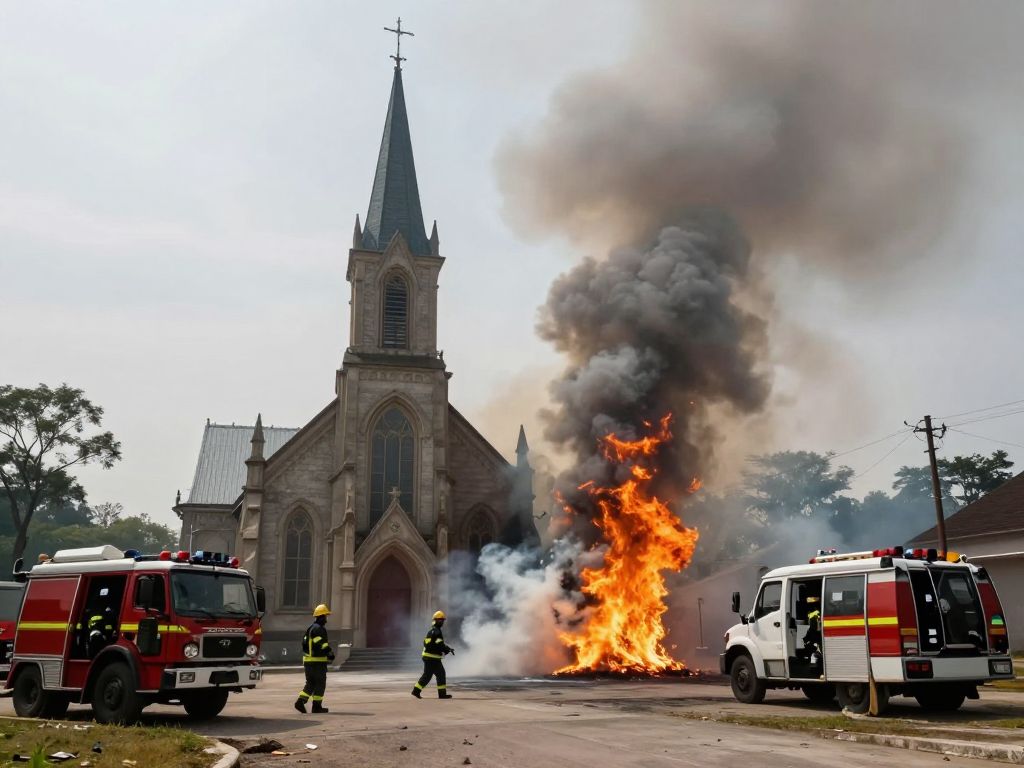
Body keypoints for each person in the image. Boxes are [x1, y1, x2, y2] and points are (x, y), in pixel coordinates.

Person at [294, 604, 335, 714]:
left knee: (311, 683)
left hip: (308, 661)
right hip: (317, 662)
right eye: (325, 616)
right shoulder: (319, 629)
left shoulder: (310, 628)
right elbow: (321, 644)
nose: (326, 619)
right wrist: (329, 653)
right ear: (321, 617)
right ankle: (316, 707)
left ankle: (300, 701)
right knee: (320, 683)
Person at [412, 610, 454, 699]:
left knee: (437, 674)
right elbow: (439, 644)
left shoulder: (431, 631)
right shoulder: (437, 632)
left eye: (442, 620)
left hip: (430, 657)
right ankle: (416, 691)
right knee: (432, 675)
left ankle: (418, 691)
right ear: (435, 620)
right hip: (432, 658)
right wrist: (447, 649)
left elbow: (429, 643)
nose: (442, 622)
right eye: (440, 620)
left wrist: (446, 649)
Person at [803, 596, 822, 665]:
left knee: (812, 644)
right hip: (814, 631)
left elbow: (813, 623)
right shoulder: (815, 612)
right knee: (812, 644)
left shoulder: (814, 612)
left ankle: (812, 657)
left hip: (815, 631)